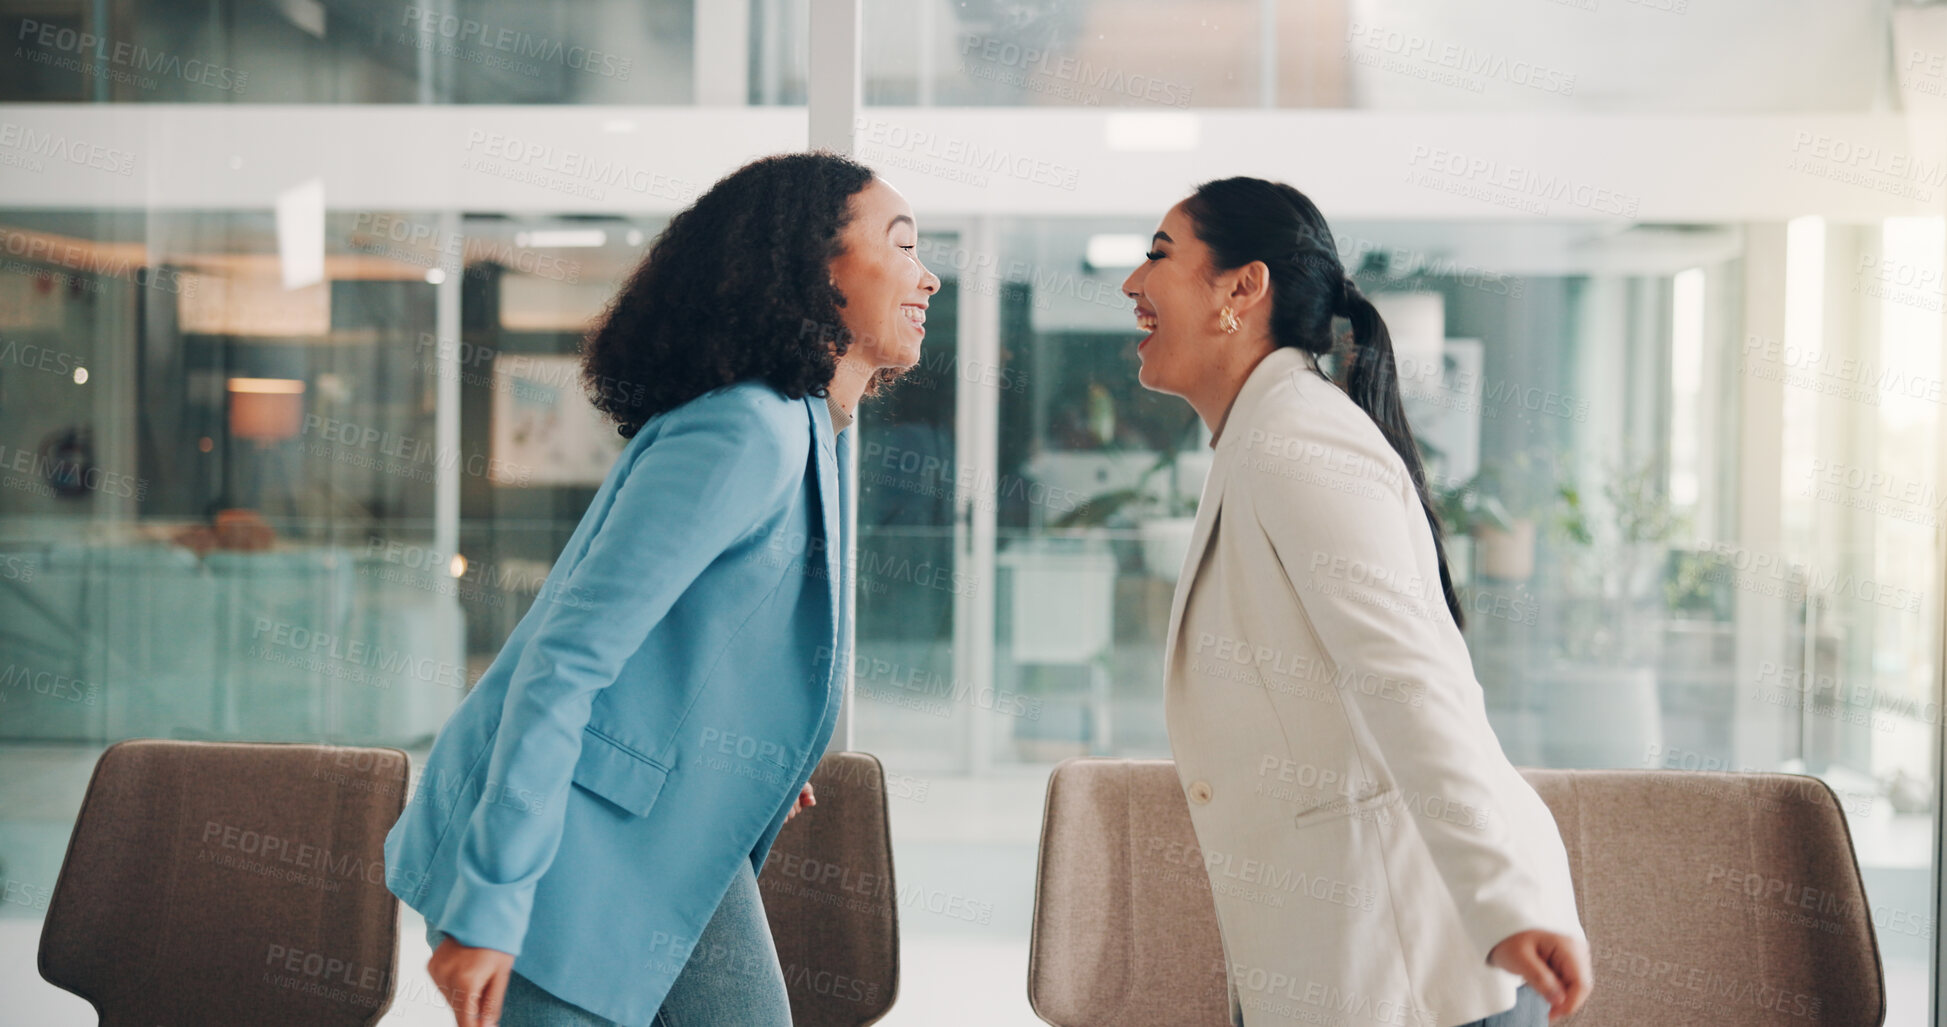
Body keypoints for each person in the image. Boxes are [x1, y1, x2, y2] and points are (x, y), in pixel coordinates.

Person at [383, 151, 940, 1027]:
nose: (928, 276)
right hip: (563, 847)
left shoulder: (807, 427)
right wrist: (491, 899)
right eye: (903, 246)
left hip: (661, 832)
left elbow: (702, 638)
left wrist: (746, 742)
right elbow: (564, 662)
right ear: (814, 267)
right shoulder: (744, 428)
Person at [1122, 177, 1592, 1027]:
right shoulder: (1265, 432)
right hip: (1353, 965)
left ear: (1241, 288)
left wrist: (1502, 900)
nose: (1131, 284)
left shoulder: (1299, 437)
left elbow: (1408, 678)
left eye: (1158, 254)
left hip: (1426, 967)